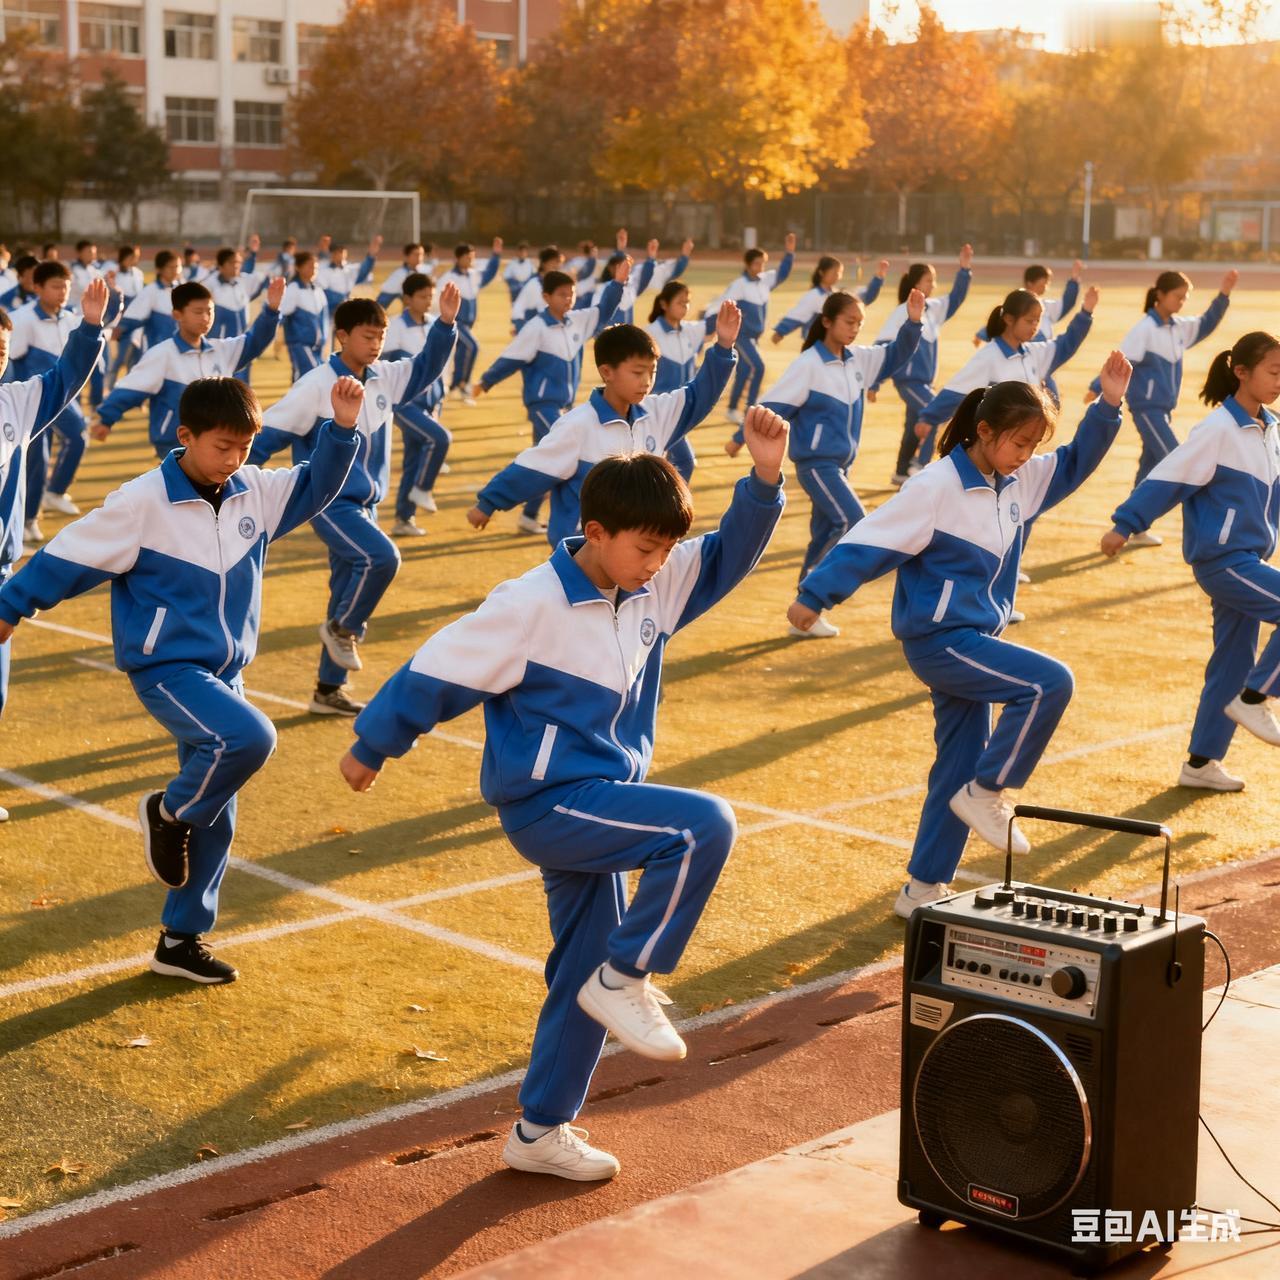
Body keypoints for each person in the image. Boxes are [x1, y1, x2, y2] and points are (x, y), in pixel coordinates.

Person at [340, 407, 789, 1180]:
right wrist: (372, 744)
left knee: (581, 976)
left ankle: (540, 1130)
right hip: (549, 805)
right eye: (647, 548)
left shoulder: (654, 584)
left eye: (666, 550)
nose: (658, 564)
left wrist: (766, 478)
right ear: (595, 530)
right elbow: (436, 670)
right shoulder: (528, 604)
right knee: (702, 826)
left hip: (605, 804)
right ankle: (630, 974)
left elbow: (724, 558)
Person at [0, 376, 362, 979]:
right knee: (249, 739)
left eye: (245, 445)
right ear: (185, 435)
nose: (235, 458)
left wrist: (342, 431)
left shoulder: (255, 490)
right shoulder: (141, 503)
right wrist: (10, 607)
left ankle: (179, 941)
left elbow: (318, 484)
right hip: (166, 668)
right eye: (222, 446)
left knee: (217, 816)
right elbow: (68, 555)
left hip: (226, 674)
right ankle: (166, 815)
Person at [789, 353, 1132, 919]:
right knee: (1048, 685)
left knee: (956, 765)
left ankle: (922, 889)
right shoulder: (936, 485)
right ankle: (990, 790)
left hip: (973, 639)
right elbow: (872, 539)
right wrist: (816, 594)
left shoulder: (1017, 479)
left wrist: (1109, 407)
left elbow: (1072, 464)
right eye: (1019, 443)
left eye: (1032, 445)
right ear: (985, 431)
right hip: (941, 640)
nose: (1026, 456)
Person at [248, 284, 460, 713]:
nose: (376, 344)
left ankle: (328, 690)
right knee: (381, 559)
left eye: (380, 336)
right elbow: (267, 436)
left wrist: (446, 324)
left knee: (346, 584)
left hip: (366, 504)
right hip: (327, 501)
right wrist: (221, 476)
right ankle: (344, 628)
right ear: (341, 336)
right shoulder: (316, 386)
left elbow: (426, 367)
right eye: (367, 336)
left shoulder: (385, 376)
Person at [1103, 332, 1280, 792]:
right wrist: (1125, 523)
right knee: (1244, 668)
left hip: (1249, 560)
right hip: (1223, 562)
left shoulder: (1272, 428)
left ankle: (1200, 764)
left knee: (1231, 661)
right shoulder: (1217, 430)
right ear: (1241, 372)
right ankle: (1256, 697)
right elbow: (1168, 478)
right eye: (1274, 372)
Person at [467, 302, 740, 547]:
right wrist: (489, 503)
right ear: (607, 372)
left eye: (652, 372)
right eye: (637, 372)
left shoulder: (658, 413)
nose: (646, 381)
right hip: (581, 552)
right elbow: (533, 468)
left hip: (634, 555)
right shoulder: (577, 425)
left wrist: (723, 347)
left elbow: (699, 395)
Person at [0, 277, 111, 822]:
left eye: (1, 352)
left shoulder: (17, 404)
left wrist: (90, 328)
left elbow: (66, 378)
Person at [761, 285, 925, 638]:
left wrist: (912, 323)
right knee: (852, 521)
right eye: (849, 322)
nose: (854, 329)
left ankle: (805, 614)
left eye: (859, 324)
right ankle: (813, 599)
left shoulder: (858, 361)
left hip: (839, 466)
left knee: (823, 535)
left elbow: (897, 354)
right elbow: (770, 409)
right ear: (827, 321)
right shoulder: (807, 364)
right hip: (816, 465)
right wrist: (753, 446)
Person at [1086, 268, 1236, 549]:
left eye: (1185, 298)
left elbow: (1207, 322)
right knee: (1177, 461)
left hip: (1164, 410)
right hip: (1147, 408)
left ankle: (1133, 528)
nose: (1181, 302)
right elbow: (1122, 359)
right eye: (1178, 297)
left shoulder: (1178, 328)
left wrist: (1223, 295)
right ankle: (1205, 530)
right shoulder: (1144, 329)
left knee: (1152, 464)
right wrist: (1096, 387)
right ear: (1160, 295)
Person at [475, 265, 626, 534]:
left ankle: (529, 515)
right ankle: (560, 521)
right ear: (546, 297)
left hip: (565, 406)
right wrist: (486, 382)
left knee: (547, 456)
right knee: (557, 456)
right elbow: (511, 358)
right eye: (561, 295)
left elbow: (604, 310)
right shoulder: (536, 328)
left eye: (571, 294)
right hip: (543, 404)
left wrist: (617, 283)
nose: (568, 299)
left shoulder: (578, 321)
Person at [90, 277, 285, 458]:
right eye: (198, 312)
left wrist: (271, 310)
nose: (206, 318)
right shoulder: (162, 355)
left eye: (210, 311)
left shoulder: (222, 350)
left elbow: (255, 341)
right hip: (174, 446)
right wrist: (106, 420)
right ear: (177, 315)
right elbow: (130, 389)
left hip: (216, 444)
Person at [912, 283, 1099, 468]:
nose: (1034, 326)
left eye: (1037, 321)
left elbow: (1067, 344)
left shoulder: (1035, 354)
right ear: (1009, 319)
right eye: (1029, 320)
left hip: (1023, 448)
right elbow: (956, 391)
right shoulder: (989, 356)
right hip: (995, 449)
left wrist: (1085, 313)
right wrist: (929, 418)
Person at [866, 246, 974, 486]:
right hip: (908, 380)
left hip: (925, 382)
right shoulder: (901, 312)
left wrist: (964, 269)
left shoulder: (933, 309)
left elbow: (956, 297)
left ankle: (901, 471)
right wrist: (875, 382)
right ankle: (920, 466)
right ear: (916, 284)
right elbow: (882, 346)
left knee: (913, 426)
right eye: (929, 280)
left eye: (934, 280)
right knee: (936, 414)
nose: (933, 285)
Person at [10, 262, 92, 536]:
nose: (62, 293)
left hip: (61, 395)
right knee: (36, 457)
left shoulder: (69, 318)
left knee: (76, 437)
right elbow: (10, 363)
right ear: (37, 287)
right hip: (32, 398)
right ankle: (28, 519)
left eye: (66, 287)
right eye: (56, 287)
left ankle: (52, 494)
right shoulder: (21, 319)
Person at [383, 271, 450, 537]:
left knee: (413, 459)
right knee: (440, 439)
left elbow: (442, 365)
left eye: (430, 296)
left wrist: (440, 395)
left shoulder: (436, 324)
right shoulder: (395, 327)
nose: (427, 301)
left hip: (429, 403)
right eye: (422, 296)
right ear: (407, 299)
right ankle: (422, 489)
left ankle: (403, 518)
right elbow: (385, 366)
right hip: (404, 403)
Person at [707, 233, 796, 425]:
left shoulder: (764, 281)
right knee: (758, 366)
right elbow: (721, 305)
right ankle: (750, 411)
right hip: (741, 335)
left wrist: (789, 252)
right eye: (757, 263)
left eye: (763, 263)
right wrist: (709, 322)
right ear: (748, 265)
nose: (761, 267)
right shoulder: (739, 285)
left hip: (754, 337)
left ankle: (731, 410)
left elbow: (783, 273)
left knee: (746, 370)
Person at [645, 279, 719, 483]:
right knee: (684, 461)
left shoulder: (690, 331)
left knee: (662, 466)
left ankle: (664, 508)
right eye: (680, 302)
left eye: (687, 302)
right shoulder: (650, 333)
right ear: (664, 304)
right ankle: (674, 509)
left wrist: (728, 304)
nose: (685, 307)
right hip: (658, 411)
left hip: (680, 409)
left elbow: (713, 323)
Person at [771, 256, 887, 345]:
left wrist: (878, 279)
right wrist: (780, 332)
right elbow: (797, 315)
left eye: (840, 272)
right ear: (822, 272)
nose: (837, 275)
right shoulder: (813, 295)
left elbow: (865, 298)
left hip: (833, 346)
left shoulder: (838, 295)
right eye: (835, 272)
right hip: (815, 346)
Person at [444, 238, 503, 402]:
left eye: (472, 257)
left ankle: (456, 386)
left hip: (468, 325)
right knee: (473, 346)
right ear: (458, 258)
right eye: (468, 257)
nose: (471, 260)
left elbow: (489, 273)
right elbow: (437, 299)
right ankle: (463, 385)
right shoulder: (449, 277)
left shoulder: (473, 275)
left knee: (463, 353)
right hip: (455, 322)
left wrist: (496, 255)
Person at [376, 243, 439, 310]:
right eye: (416, 254)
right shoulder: (399, 275)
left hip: (430, 315)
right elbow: (381, 303)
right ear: (406, 257)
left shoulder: (428, 270)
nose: (419, 257)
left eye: (421, 254)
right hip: (410, 316)